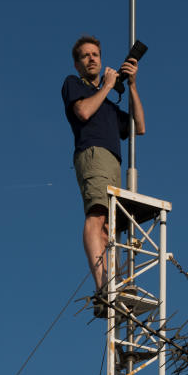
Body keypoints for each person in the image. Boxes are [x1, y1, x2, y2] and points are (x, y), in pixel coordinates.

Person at [62, 35, 145, 310]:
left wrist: (131, 85)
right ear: (77, 64)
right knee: (97, 215)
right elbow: (84, 112)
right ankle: (104, 285)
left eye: (95, 54)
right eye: (85, 55)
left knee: (110, 226)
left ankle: (114, 282)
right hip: (93, 154)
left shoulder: (109, 104)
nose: (92, 59)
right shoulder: (75, 85)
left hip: (112, 161)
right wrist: (108, 85)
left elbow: (139, 126)